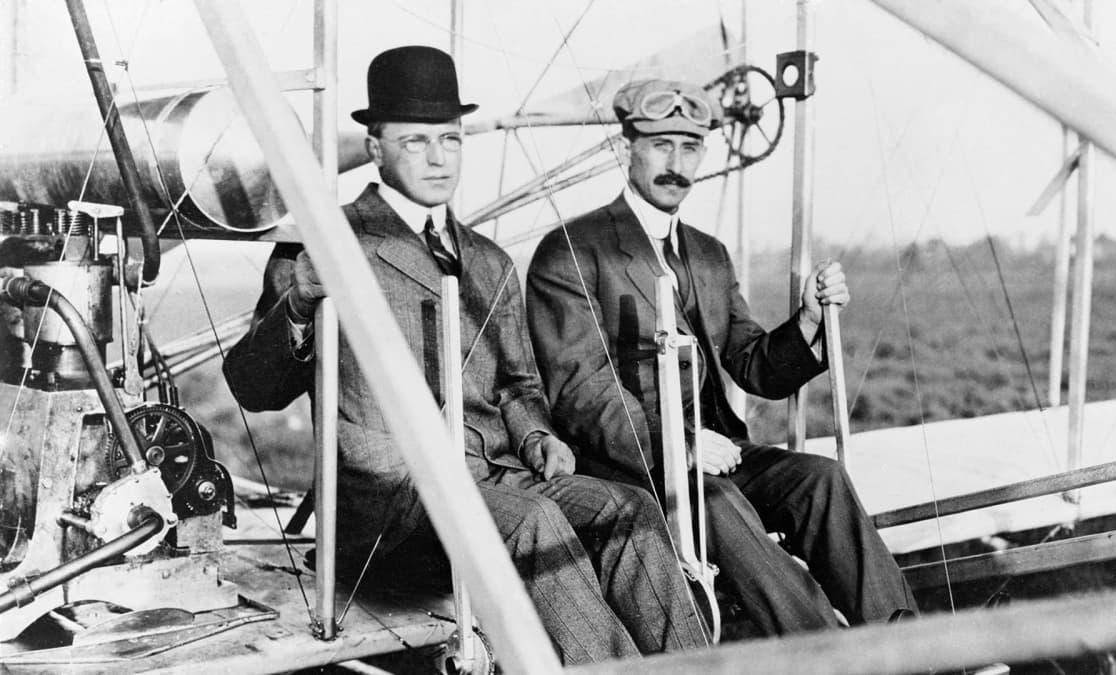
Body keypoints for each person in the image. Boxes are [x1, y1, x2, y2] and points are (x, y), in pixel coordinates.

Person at [223, 49, 708, 664]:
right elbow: (251, 388)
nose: (436, 157)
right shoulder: (326, 243)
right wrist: (297, 303)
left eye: (449, 140)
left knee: (626, 508)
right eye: (416, 141)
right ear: (375, 149)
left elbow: (517, 386)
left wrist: (536, 438)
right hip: (389, 507)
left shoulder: (488, 261)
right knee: (533, 524)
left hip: (497, 479)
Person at [525, 78, 918, 636]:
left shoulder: (707, 254)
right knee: (715, 503)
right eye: (662, 145)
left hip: (719, 452)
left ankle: (917, 652)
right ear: (625, 148)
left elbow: (754, 363)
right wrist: (678, 445)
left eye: (690, 148)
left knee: (821, 480)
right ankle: (833, 657)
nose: (677, 164)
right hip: (632, 471)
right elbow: (579, 392)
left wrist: (807, 321)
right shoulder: (572, 250)